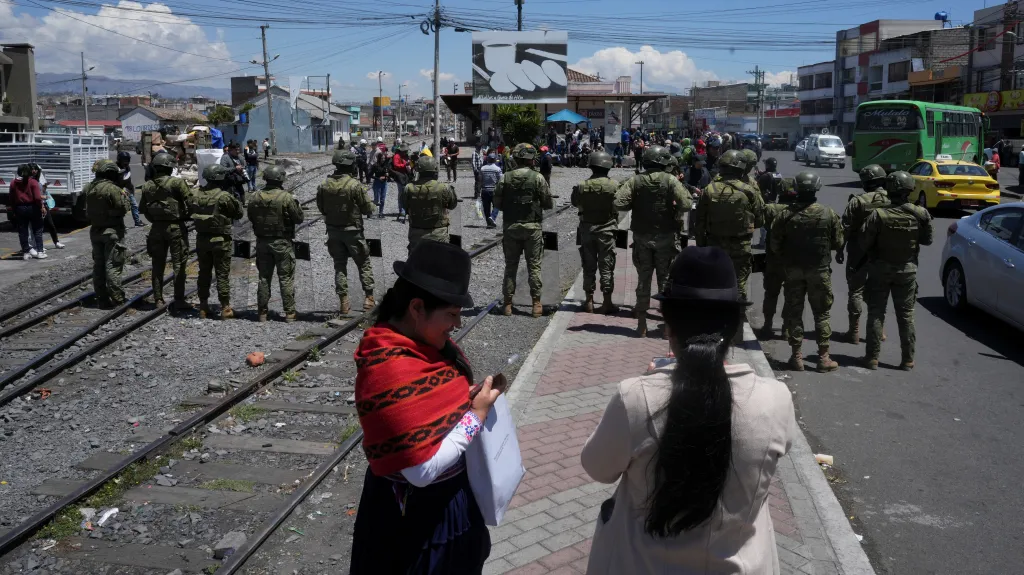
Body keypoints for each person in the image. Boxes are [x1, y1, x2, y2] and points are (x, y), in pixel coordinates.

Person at [580, 246, 796, 575]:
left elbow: (597, 467)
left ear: (668, 325)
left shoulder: (635, 397)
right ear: (734, 325)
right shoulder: (776, 399)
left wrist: (655, 381)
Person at [349, 241, 499, 575]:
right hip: (420, 518)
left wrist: (461, 403)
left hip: (444, 505)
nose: (456, 326)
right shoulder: (390, 369)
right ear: (417, 308)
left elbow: (431, 409)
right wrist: (476, 416)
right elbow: (421, 471)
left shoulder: (422, 350)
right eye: (451, 315)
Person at [614, 145, 692, 336]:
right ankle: (667, 327)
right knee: (665, 281)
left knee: (643, 279)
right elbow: (687, 204)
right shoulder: (670, 180)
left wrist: (637, 203)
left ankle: (642, 324)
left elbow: (618, 202)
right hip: (666, 238)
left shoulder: (635, 181)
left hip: (641, 239)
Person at [771, 171, 843, 372]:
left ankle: (796, 357)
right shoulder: (828, 213)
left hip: (793, 270)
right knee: (822, 314)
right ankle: (823, 358)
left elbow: (775, 245)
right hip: (819, 271)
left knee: (795, 312)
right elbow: (838, 242)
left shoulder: (784, 215)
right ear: (817, 188)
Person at [861, 171, 933, 370]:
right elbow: (927, 240)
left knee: (876, 313)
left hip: (880, 269)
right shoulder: (920, 214)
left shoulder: (878, 214)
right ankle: (908, 360)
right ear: (909, 189)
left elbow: (865, 242)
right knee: (906, 315)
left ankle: (872, 358)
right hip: (907, 271)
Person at [694, 149, 765, 306]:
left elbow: (699, 222)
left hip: (714, 245)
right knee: (739, 284)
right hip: (740, 246)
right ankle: (737, 321)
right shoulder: (750, 190)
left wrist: (701, 245)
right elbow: (760, 220)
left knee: (714, 281)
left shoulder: (709, 189)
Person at [494, 143, 554, 317]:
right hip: (533, 228)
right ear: (531, 159)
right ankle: (536, 305)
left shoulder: (505, 177)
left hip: (511, 227)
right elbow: (548, 203)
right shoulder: (538, 178)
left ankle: (507, 305)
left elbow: (497, 203)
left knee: (510, 266)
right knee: (534, 266)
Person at [317, 149, 376, 314]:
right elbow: (367, 209)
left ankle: (344, 302)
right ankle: (369, 299)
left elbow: (322, 208)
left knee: (339, 266)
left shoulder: (324, 185)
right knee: (363, 263)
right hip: (353, 231)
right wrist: (373, 206)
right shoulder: (354, 185)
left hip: (333, 231)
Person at [839, 164, 890, 344]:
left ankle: (854, 332)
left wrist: (839, 249)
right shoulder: (894, 199)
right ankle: (879, 330)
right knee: (878, 293)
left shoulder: (857, 201)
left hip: (858, 252)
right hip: (884, 253)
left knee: (856, 291)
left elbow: (844, 229)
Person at [248, 166, 305, 322]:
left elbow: (251, 216)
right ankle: (290, 313)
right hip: (282, 242)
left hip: (262, 242)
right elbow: (299, 218)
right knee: (285, 278)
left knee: (264, 278)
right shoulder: (286, 197)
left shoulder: (255, 196)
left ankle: (262, 313)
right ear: (280, 179)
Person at [140, 152, 192, 311]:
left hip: (156, 228)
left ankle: (158, 299)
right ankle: (179, 299)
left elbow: (143, 209)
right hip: (176, 227)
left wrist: (156, 221)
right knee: (179, 264)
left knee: (157, 264)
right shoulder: (177, 183)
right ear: (170, 168)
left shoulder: (147, 186)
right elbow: (191, 202)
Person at [190, 164, 243, 319]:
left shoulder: (195, 194)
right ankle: (225, 307)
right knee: (222, 274)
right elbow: (239, 214)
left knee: (204, 273)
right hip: (221, 240)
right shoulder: (224, 196)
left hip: (202, 240)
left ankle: (203, 306)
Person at [571, 150, 620, 315]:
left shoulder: (581, 185)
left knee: (588, 266)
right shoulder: (614, 185)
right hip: (607, 231)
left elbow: (574, 202)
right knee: (607, 266)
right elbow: (620, 204)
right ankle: (607, 302)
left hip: (587, 230)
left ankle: (589, 301)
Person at [756, 177, 797, 340]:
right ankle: (786, 329)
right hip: (792, 261)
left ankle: (767, 325)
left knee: (771, 294)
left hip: (773, 260)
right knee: (790, 295)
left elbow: (760, 223)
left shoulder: (770, 209)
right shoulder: (799, 209)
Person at [85, 160, 131, 306]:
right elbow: (124, 208)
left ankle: (102, 298)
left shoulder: (88, 187)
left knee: (98, 266)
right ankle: (117, 297)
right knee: (113, 265)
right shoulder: (112, 189)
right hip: (112, 231)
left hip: (95, 230)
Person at [402, 155, 458, 251]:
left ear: (418, 171)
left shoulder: (409, 188)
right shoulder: (444, 187)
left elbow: (405, 207)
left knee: (416, 263)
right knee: (439, 264)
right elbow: (452, 205)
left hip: (416, 233)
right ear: (435, 171)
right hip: (438, 234)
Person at [8, 164, 47, 260]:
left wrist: (14, 210)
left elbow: (11, 198)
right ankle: (40, 252)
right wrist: (41, 206)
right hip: (32, 207)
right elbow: (37, 197)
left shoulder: (13, 183)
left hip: (19, 208)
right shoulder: (33, 182)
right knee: (37, 230)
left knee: (23, 231)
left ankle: (26, 252)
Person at [114, 153, 145, 228]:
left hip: (128, 189)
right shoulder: (115, 168)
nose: (126, 162)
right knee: (121, 208)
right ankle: (121, 225)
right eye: (124, 160)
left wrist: (130, 189)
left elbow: (127, 179)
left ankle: (137, 222)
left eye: (127, 160)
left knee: (134, 205)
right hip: (119, 190)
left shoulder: (127, 167)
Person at [220, 141, 248, 206]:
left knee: (242, 197)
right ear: (231, 150)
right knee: (229, 200)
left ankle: (242, 204)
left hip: (238, 181)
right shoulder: (225, 157)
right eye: (236, 150)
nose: (238, 151)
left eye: (238, 149)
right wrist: (235, 168)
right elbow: (222, 169)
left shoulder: (240, 156)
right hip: (229, 183)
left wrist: (243, 169)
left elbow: (244, 165)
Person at [480, 153, 503, 229]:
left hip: (485, 190)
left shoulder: (482, 168)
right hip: (494, 190)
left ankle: (488, 222)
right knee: (496, 205)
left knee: (486, 207)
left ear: (488, 159)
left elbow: (480, 180)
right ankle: (492, 218)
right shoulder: (498, 169)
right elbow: (500, 180)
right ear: (495, 160)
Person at [391, 145, 412, 223]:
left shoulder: (406, 156)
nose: (406, 152)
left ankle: (406, 209)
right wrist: (404, 165)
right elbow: (396, 165)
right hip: (399, 176)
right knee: (401, 193)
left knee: (407, 192)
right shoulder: (397, 156)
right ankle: (402, 210)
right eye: (405, 151)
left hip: (406, 175)